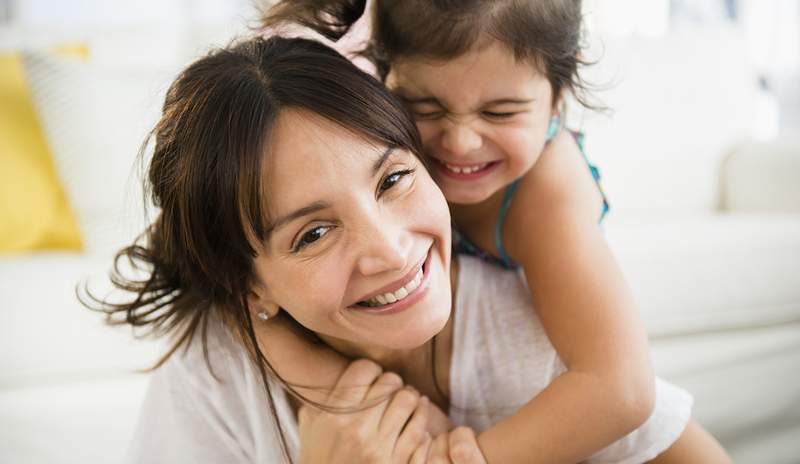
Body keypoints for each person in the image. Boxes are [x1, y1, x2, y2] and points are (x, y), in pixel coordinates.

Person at [86, 36, 730, 463]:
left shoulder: (527, 326)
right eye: (313, 233)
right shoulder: (215, 371)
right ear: (248, 287)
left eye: (393, 180)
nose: (391, 253)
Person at [260, 1, 672, 460]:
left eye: (500, 113)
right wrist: (326, 382)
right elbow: (244, 299)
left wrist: (461, 457)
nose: (459, 142)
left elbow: (622, 389)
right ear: (383, 77)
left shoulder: (546, 194)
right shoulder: (370, 146)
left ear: (558, 95)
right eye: (424, 107)